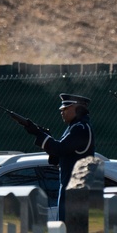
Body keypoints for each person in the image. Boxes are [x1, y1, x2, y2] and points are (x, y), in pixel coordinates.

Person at [24, 93, 95, 221]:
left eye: (66, 108)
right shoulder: (73, 128)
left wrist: (40, 135)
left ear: (77, 108)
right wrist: (45, 138)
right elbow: (57, 157)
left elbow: (60, 149)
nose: (62, 111)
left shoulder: (80, 128)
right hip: (70, 190)